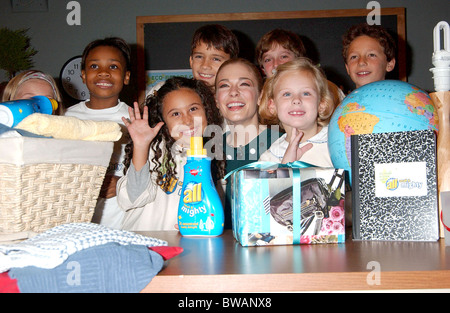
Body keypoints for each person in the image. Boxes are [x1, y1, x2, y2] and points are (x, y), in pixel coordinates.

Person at [117, 77, 225, 231]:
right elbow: (133, 196)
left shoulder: (215, 156)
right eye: (175, 114)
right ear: (163, 121)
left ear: (206, 110)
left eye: (193, 109)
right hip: (146, 246)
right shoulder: (156, 151)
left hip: (191, 247)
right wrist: (141, 146)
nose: (187, 120)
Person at [64, 37, 131, 229]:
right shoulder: (67, 118)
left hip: (121, 224)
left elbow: (149, 171)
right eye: (94, 66)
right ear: (83, 76)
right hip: (76, 223)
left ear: (126, 76)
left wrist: (121, 184)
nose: (103, 73)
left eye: (113, 67)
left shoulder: (136, 119)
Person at [215, 58, 280, 228]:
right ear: (216, 100)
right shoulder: (207, 151)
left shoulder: (283, 143)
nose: (234, 92)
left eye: (244, 84)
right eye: (224, 85)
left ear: (260, 96)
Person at [259, 58, 335, 167]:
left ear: (321, 104)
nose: (296, 100)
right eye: (287, 94)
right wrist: (285, 166)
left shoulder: (338, 141)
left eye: (306, 93)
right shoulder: (269, 159)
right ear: (272, 106)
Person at [256, 28, 344, 119]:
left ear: (299, 60)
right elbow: (271, 129)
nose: (276, 64)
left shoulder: (325, 89)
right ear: (262, 69)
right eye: (268, 60)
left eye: (283, 56)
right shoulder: (258, 97)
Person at [342, 23, 396, 89]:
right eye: (354, 57)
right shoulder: (343, 99)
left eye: (371, 55)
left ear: (389, 64)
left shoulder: (402, 98)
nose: (361, 62)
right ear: (347, 68)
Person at [189, 24, 239, 91]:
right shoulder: (180, 95)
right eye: (199, 57)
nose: (205, 66)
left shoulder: (236, 97)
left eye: (216, 59)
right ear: (191, 61)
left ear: (232, 65)